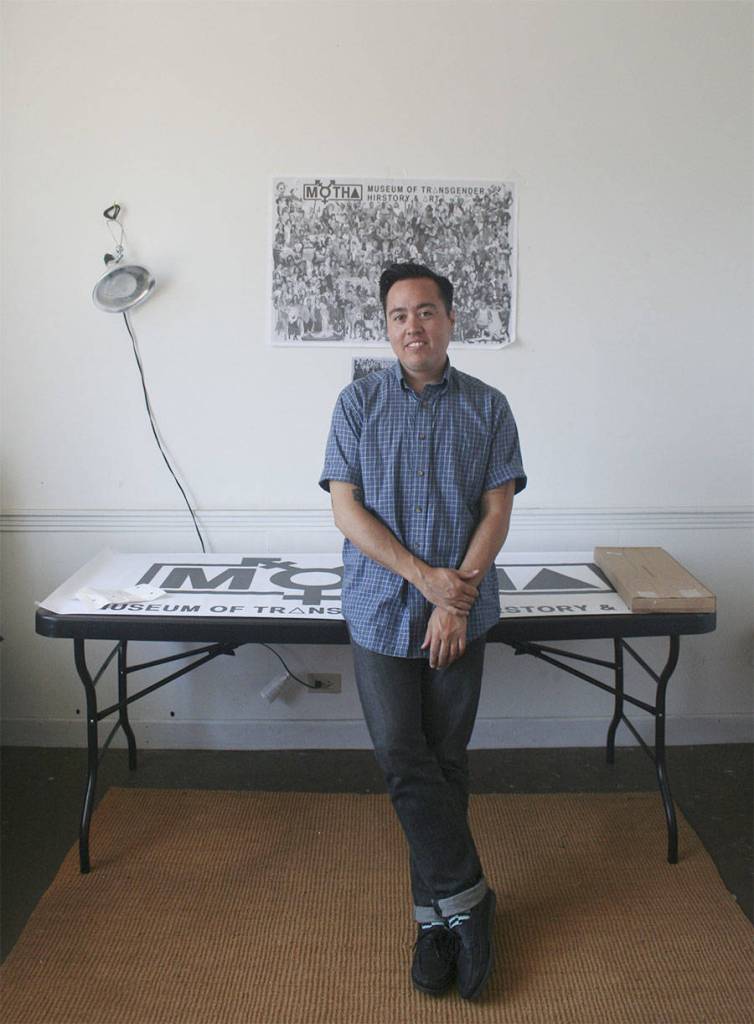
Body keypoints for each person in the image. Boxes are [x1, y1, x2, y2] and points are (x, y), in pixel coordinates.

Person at [319, 262, 526, 1001]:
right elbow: (345, 509)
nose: (414, 326)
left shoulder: (489, 406)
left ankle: (433, 923)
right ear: (386, 327)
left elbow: (497, 512)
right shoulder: (357, 403)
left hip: (460, 614)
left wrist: (454, 598)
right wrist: (422, 578)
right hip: (380, 608)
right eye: (400, 315)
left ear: (450, 320)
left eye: (427, 311)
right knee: (404, 760)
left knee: (445, 761)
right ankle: (469, 901)